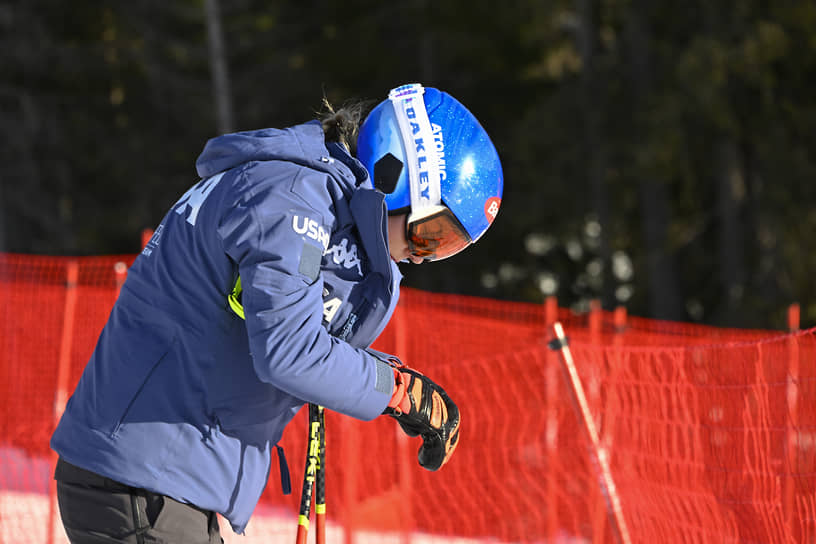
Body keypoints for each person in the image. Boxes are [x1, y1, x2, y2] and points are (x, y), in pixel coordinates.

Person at [50, 83, 503, 542]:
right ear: (394, 172)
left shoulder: (307, 197)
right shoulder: (289, 197)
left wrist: (392, 381)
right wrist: (397, 391)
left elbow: (294, 330)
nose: (424, 257)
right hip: (142, 480)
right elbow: (288, 352)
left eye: (448, 249)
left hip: (155, 479)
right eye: (432, 234)